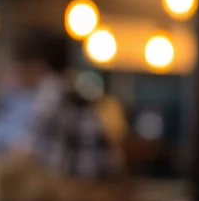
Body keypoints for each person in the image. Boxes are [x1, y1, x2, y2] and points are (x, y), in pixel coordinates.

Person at [9, 30, 119, 178]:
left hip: (70, 193)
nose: (16, 76)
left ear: (37, 67)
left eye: (20, 68)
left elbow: (24, 158)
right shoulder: (71, 93)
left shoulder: (50, 94)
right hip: (91, 190)